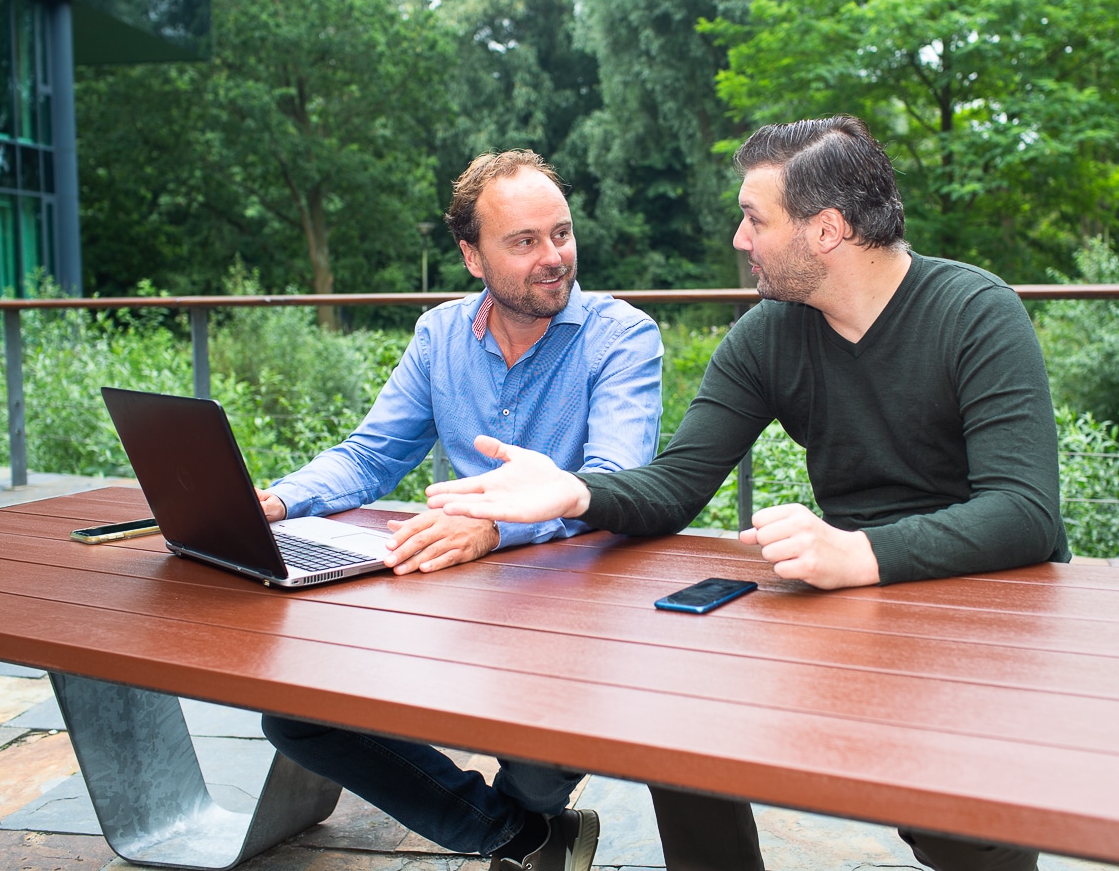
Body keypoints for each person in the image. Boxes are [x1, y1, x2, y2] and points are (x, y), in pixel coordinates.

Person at [425, 116, 1070, 871]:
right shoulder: (769, 334)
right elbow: (675, 486)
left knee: (957, 827)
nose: (740, 238)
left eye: (755, 219)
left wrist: (856, 553)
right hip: (858, 606)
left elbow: (1024, 513)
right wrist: (573, 493)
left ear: (825, 230)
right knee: (681, 718)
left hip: (988, 610)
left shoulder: (976, 312)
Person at [255, 149, 664, 871]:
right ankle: (521, 838)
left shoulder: (623, 336)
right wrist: (279, 500)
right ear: (472, 256)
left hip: (580, 612)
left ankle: (523, 828)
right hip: (465, 597)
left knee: (536, 767)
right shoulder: (439, 336)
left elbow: (613, 481)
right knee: (298, 716)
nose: (553, 257)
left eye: (561, 233)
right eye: (524, 241)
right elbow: (371, 455)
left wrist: (495, 526)